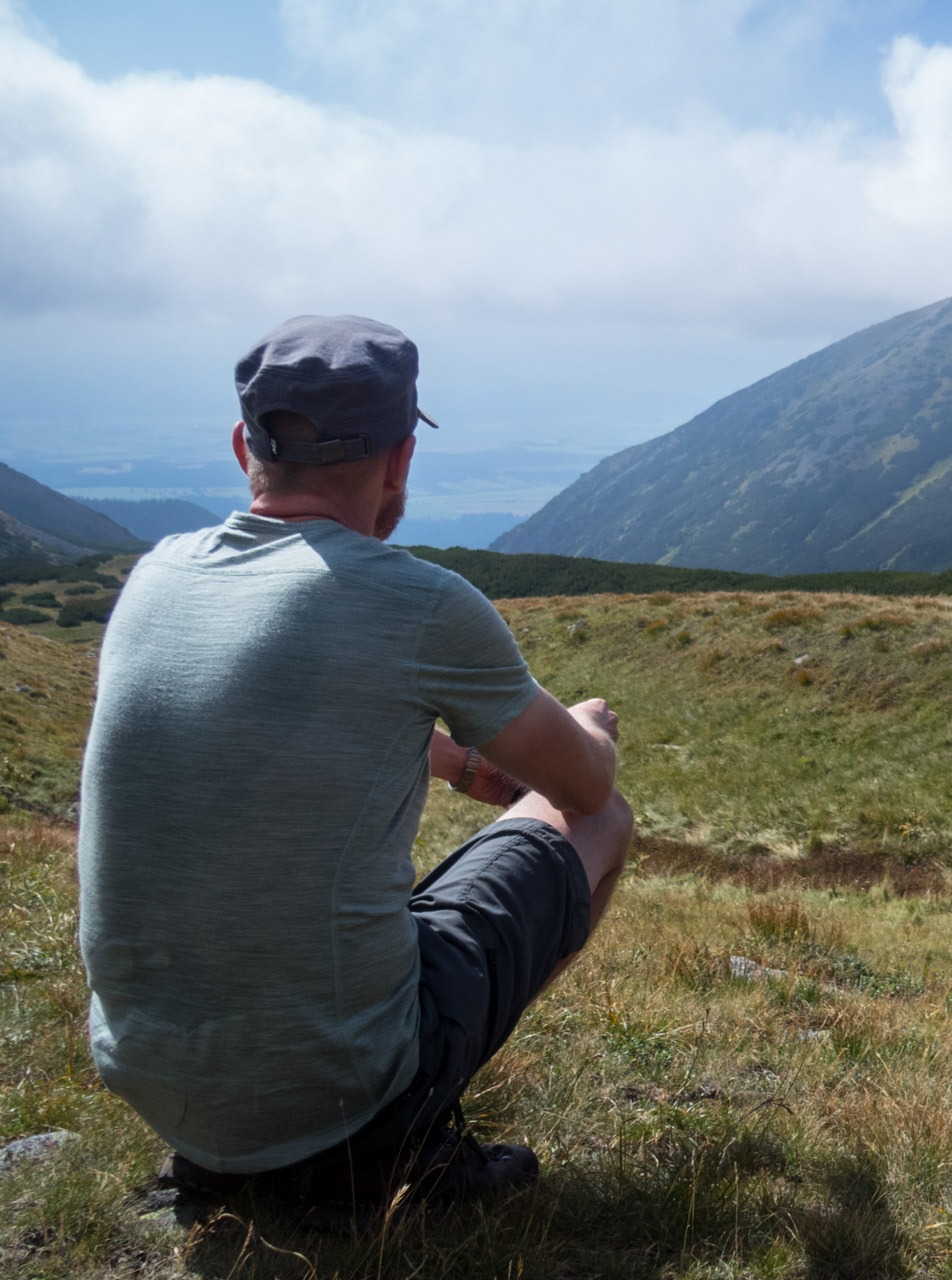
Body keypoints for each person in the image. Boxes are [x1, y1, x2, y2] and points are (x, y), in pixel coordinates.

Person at [76, 314, 634, 1224]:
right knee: (606, 827)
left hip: (153, 1075)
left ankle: (255, 1148)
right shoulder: (420, 604)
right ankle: (405, 1129)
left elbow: (288, 698)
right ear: (402, 459)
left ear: (240, 447)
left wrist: (452, 765)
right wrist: (590, 727)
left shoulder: (157, 577)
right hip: (330, 1088)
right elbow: (584, 791)